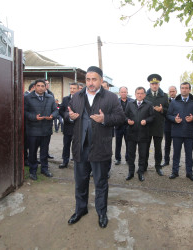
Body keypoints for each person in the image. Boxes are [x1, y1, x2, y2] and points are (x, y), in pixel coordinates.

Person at [66, 66, 125, 228]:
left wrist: (105, 119)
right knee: (80, 181)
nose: (90, 83)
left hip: (100, 147)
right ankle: (80, 209)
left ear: (100, 80)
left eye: (94, 79)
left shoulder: (111, 98)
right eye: (88, 79)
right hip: (80, 147)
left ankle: (101, 212)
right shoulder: (77, 96)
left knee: (100, 182)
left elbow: (120, 117)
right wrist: (70, 117)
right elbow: (67, 113)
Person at [167, 82, 193, 182]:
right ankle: (175, 172)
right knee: (176, 153)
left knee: (189, 154)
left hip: (189, 132)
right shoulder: (174, 102)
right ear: (180, 89)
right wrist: (174, 119)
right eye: (182, 88)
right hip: (177, 132)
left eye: (186, 88)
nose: (184, 90)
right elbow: (168, 115)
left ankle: (189, 173)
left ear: (189, 90)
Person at [24, 79, 58, 180]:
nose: (40, 88)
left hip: (46, 130)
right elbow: (24, 112)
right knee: (33, 152)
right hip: (33, 130)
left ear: (45, 87)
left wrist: (52, 116)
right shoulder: (28, 98)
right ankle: (33, 171)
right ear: (34, 87)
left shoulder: (50, 97)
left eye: (42, 86)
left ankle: (44, 168)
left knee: (44, 151)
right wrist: (34, 117)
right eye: (38, 86)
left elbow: (56, 110)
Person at [124, 87, 154, 181]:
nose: (140, 95)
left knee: (142, 155)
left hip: (143, 133)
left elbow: (152, 117)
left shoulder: (149, 104)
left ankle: (140, 173)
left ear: (144, 95)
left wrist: (146, 120)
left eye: (141, 93)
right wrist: (128, 121)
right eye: (138, 93)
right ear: (135, 94)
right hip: (131, 133)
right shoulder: (130, 104)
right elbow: (125, 115)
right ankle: (131, 173)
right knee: (131, 154)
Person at [145, 74, 169, 176]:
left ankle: (158, 167)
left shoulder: (164, 96)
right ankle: (143, 166)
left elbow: (169, 111)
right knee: (145, 148)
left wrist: (162, 109)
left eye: (156, 84)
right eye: (152, 84)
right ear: (150, 85)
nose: (154, 86)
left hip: (158, 126)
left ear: (159, 84)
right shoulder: (145, 95)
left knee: (158, 149)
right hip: (147, 126)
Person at [59, 82, 79, 169]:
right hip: (68, 126)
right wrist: (67, 116)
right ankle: (65, 161)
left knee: (77, 146)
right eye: (71, 88)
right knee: (66, 145)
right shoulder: (65, 99)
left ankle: (77, 162)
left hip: (78, 126)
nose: (72, 90)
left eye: (74, 88)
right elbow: (61, 111)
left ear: (78, 89)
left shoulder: (82, 99)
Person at [114, 86, 133, 165]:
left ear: (127, 93)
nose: (123, 93)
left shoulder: (132, 101)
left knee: (128, 143)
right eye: (122, 92)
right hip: (118, 126)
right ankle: (118, 159)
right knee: (118, 144)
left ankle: (128, 158)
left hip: (128, 126)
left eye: (125, 92)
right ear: (119, 93)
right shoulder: (116, 102)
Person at [162, 85, 177, 167]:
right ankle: (166, 160)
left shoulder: (179, 100)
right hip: (167, 125)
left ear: (176, 92)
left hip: (177, 126)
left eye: (173, 91)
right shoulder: (166, 101)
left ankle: (176, 162)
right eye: (170, 91)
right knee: (167, 144)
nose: (172, 93)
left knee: (176, 145)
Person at [101, 80, 113, 178]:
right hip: (95, 130)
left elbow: (117, 116)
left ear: (108, 88)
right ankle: (95, 169)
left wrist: (105, 118)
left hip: (108, 129)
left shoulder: (112, 99)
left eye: (105, 87)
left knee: (107, 151)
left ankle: (107, 170)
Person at [24, 82, 36, 166]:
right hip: (27, 124)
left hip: (34, 125)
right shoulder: (26, 97)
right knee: (26, 144)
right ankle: (26, 159)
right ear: (32, 87)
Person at [44, 79, 55, 159]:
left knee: (46, 141)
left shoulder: (51, 94)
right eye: (46, 84)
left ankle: (46, 153)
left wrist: (52, 115)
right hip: (38, 120)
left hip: (48, 121)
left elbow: (54, 108)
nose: (47, 85)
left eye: (48, 84)